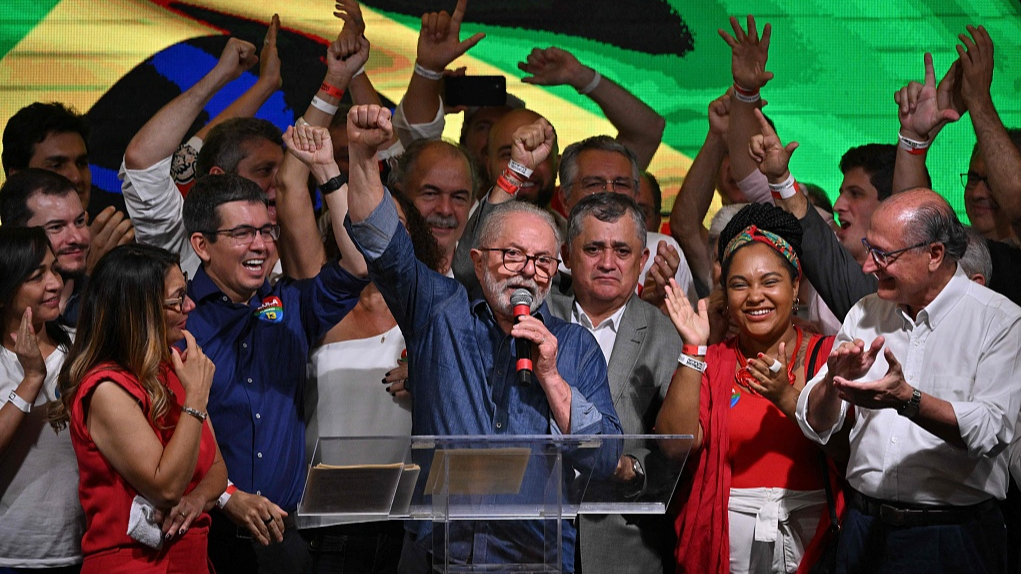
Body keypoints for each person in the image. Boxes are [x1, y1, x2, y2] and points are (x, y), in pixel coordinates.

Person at [344, 103, 621, 573]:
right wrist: (362, 156)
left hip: (536, 560)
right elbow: (380, 241)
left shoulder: (574, 345)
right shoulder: (438, 312)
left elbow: (608, 458)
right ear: (477, 259)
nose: (527, 272)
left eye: (542, 262)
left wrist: (553, 380)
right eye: (512, 255)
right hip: (441, 557)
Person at [796, 188, 1021, 573]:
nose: (868, 267)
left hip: (953, 537)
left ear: (934, 254)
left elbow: (991, 430)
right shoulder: (866, 313)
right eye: (869, 248)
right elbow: (814, 423)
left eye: (884, 254)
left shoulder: (998, 320)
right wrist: (833, 381)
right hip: (863, 526)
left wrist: (908, 400)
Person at [182, 171, 367, 574]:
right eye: (242, 233)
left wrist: (328, 173)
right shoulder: (178, 323)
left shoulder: (293, 304)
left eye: (266, 231)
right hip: (206, 538)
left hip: (286, 540)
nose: (261, 245)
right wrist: (226, 495)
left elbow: (359, 263)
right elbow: (161, 438)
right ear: (202, 245)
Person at [658, 203, 842, 574]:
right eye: (739, 285)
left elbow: (850, 453)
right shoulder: (714, 361)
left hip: (817, 545)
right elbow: (675, 445)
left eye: (770, 282)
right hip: (727, 549)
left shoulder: (829, 356)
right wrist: (694, 348)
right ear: (725, 294)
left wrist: (787, 399)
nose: (755, 296)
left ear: (795, 287)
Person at [50, 244, 226, 572]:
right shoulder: (106, 388)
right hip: (133, 563)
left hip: (191, 559)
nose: (190, 305)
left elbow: (217, 469)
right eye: (177, 299)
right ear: (141, 310)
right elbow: (165, 487)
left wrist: (197, 500)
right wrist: (196, 399)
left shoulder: (175, 368)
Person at [547, 192, 679, 574]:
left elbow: (678, 448)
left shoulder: (665, 334)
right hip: (532, 534)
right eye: (593, 249)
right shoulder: (536, 316)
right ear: (566, 255)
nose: (607, 263)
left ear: (642, 260)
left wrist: (633, 469)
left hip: (622, 544)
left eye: (622, 251)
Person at [0, 227, 82, 572]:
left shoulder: (81, 351)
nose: (54, 284)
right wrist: (32, 378)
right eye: (37, 276)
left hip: (80, 551)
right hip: (8, 555)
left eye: (55, 270)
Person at [2, 102, 134, 270]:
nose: (76, 177)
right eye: (57, 165)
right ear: (17, 177)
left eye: (81, 163)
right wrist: (89, 271)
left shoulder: (111, 246)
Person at [0, 169, 98, 325]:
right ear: (19, 233)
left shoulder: (106, 305)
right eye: (56, 227)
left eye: (79, 222)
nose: (77, 238)